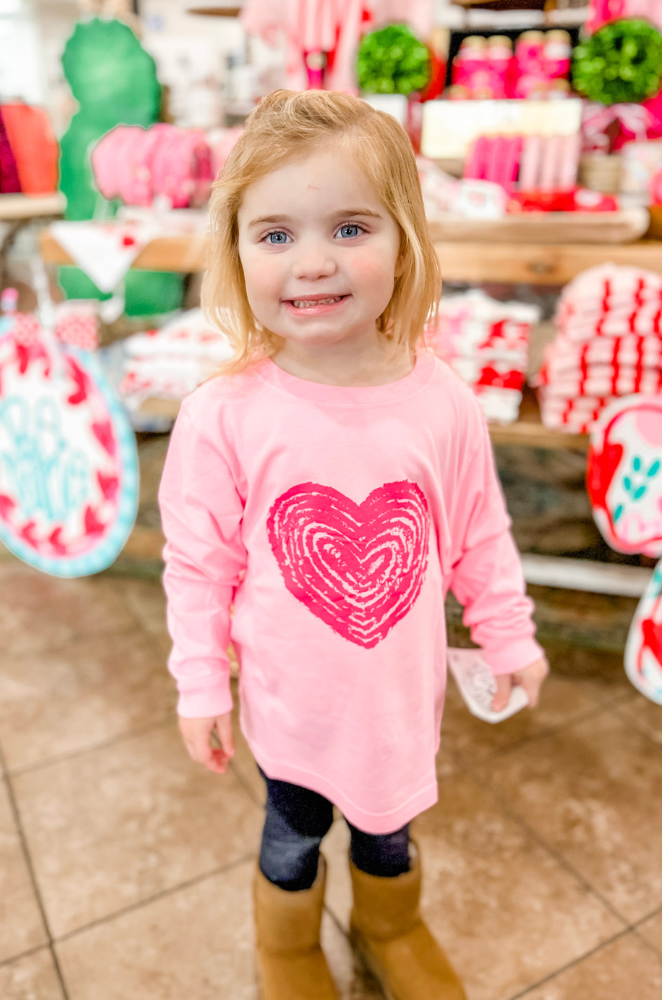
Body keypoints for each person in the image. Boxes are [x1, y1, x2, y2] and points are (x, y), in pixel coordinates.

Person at [158, 89, 549, 1000]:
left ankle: (392, 926)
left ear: (405, 237)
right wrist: (199, 681)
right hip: (293, 712)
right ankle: (288, 947)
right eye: (277, 234)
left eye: (349, 227)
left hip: (399, 707)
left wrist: (511, 636)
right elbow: (198, 564)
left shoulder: (443, 399)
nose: (313, 264)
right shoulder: (223, 416)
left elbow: (479, 534)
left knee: (389, 832)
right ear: (238, 250)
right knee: (291, 834)